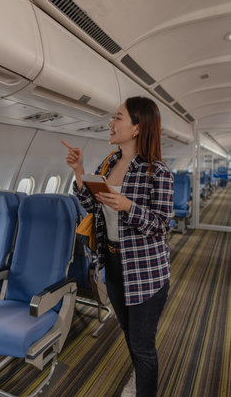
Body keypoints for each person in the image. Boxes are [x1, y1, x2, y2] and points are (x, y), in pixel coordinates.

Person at [61, 96, 174, 397]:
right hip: (111, 263)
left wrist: (127, 206)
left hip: (146, 272)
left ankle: (144, 388)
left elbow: (162, 226)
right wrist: (79, 171)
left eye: (118, 117)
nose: (111, 123)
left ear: (137, 128)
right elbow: (91, 207)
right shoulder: (109, 162)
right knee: (129, 335)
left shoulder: (157, 172)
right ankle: (140, 377)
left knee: (142, 345)